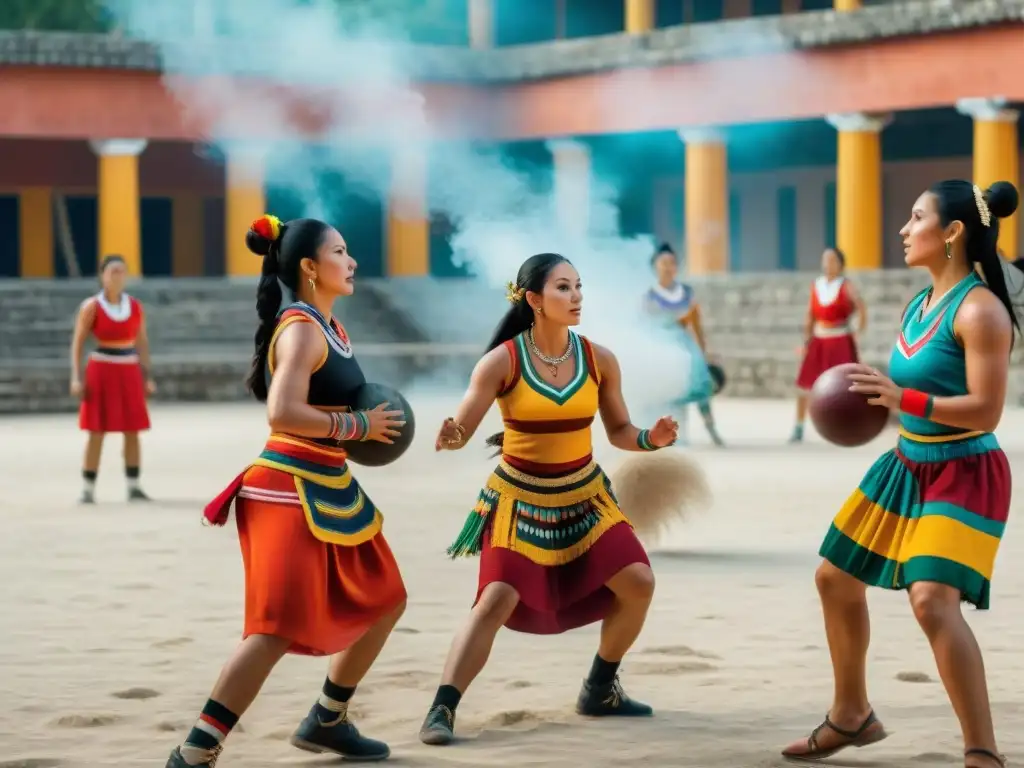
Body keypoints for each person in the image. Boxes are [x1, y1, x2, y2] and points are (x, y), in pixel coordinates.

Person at [780, 181, 1018, 768]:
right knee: (835, 578)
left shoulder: (981, 309)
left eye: (916, 218)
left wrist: (901, 398)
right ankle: (852, 714)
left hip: (965, 470)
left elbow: (986, 409)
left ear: (953, 232)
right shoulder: (919, 304)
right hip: (907, 463)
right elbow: (906, 396)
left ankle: (982, 751)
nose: (905, 230)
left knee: (933, 600)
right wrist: (869, 404)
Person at [164, 215, 408, 767]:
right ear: (308, 267)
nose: (352, 262)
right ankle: (195, 750)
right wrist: (358, 428)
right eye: (341, 252)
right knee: (273, 629)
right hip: (285, 487)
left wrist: (355, 428)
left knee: (386, 598)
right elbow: (282, 411)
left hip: (330, 484)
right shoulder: (300, 327)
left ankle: (328, 718)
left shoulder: (330, 327)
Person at [418, 253, 678, 746]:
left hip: (585, 494)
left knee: (638, 581)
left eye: (579, 286)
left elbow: (620, 431)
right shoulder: (500, 362)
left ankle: (600, 687)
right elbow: (464, 430)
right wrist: (450, 435)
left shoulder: (599, 359)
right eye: (563, 288)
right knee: (495, 600)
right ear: (533, 299)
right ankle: (442, 708)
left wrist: (652, 438)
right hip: (518, 496)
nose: (576, 296)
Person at [69, 254, 155, 503]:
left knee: (133, 429)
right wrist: (76, 378)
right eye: (112, 271)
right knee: (96, 430)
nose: (117, 276)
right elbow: (77, 343)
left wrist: (147, 375)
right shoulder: (92, 307)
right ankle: (87, 488)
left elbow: (142, 342)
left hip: (128, 370)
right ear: (102, 276)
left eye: (121, 271)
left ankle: (133, 485)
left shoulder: (135, 307)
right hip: (101, 370)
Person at [644, 243, 724, 446]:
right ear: (655, 266)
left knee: (700, 386)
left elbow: (696, 323)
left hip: (685, 344)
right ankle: (671, 434)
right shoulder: (649, 295)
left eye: (671, 263)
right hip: (662, 346)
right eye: (663, 263)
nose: (668, 267)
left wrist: (703, 349)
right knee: (670, 391)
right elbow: (650, 323)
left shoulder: (686, 292)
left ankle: (711, 428)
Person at [789, 246, 867, 443]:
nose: (828, 264)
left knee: (847, 386)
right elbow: (810, 315)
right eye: (825, 259)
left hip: (840, 339)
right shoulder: (816, 285)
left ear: (840, 264)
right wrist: (807, 341)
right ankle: (799, 427)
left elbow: (861, 308)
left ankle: (850, 426)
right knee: (805, 385)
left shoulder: (846, 285)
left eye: (832, 260)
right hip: (819, 340)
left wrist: (857, 332)